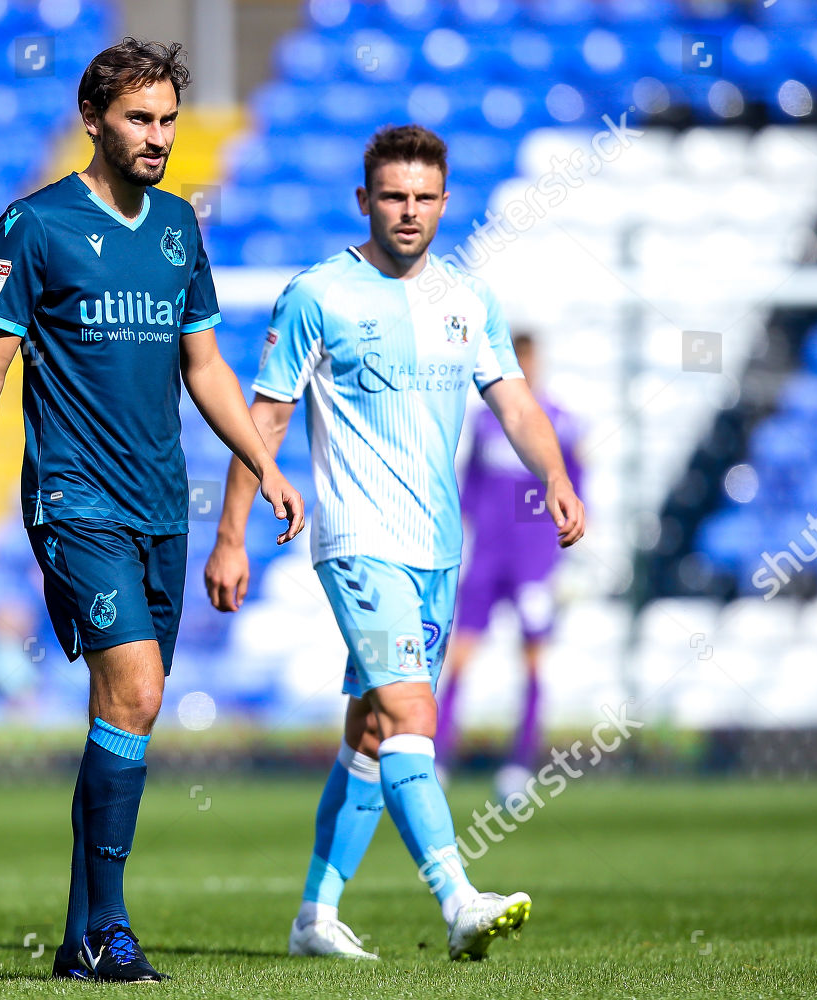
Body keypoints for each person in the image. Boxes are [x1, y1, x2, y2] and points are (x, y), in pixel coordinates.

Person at [0, 38, 304, 983]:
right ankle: (111, 928)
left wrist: (263, 462)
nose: (159, 137)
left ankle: (79, 939)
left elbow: (207, 367)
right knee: (135, 688)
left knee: (126, 714)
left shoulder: (180, 226)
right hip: (74, 500)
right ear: (94, 120)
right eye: (140, 119)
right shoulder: (34, 226)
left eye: (170, 120)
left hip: (160, 508)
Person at [204, 125, 584, 963]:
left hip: (437, 550)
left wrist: (553, 474)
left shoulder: (467, 299)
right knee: (415, 710)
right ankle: (458, 900)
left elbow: (515, 402)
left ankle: (315, 916)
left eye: (423, 198)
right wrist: (231, 535)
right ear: (364, 201)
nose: (408, 213)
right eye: (392, 196)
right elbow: (262, 420)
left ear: (445, 203)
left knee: (374, 733)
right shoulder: (318, 296)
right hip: (357, 544)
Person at [435, 333, 584, 804]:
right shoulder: (484, 423)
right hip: (487, 558)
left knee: (533, 660)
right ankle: (438, 761)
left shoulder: (561, 423)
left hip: (534, 563)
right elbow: (468, 489)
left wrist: (562, 553)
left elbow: (575, 488)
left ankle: (519, 765)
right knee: (458, 658)